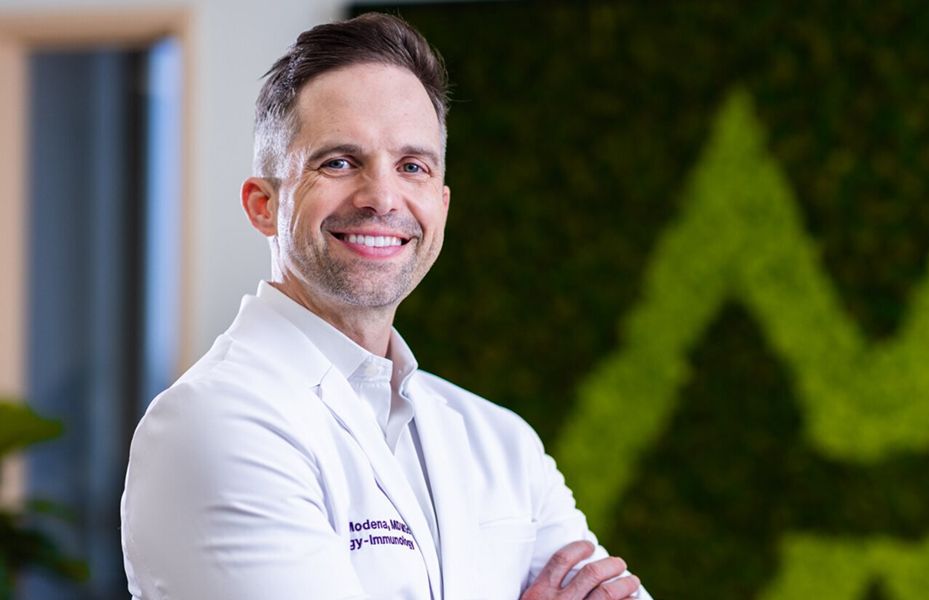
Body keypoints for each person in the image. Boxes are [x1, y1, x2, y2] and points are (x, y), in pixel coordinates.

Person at [120, 13, 648, 600]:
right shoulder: (213, 425)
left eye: (412, 167)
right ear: (263, 204)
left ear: (441, 205)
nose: (382, 197)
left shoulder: (502, 443)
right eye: (339, 162)